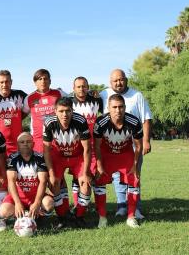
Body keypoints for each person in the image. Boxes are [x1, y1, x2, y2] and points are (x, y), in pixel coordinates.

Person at [100, 69, 151, 219]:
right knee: (118, 177)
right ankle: (122, 207)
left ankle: (136, 209)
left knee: (134, 176)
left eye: (121, 79)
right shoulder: (104, 94)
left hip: (134, 145)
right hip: (112, 146)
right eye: (115, 81)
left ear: (126, 80)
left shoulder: (137, 96)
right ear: (110, 82)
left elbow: (146, 118)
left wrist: (146, 140)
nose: (118, 83)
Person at [93, 94, 143, 229]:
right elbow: (96, 145)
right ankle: (102, 217)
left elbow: (138, 146)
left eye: (121, 107)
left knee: (134, 180)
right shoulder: (100, 122)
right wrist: (99, 165)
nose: (117, 110)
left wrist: (135, 165)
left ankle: (131, 217)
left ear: (125, 108)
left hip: (125, 154)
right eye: (114, 107)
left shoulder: (134, 121)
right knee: (99, 180)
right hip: (106, 154)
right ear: (108, 108)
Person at [43, 97, 92, 227]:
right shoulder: (49, 122)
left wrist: (86, 173)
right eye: (61, 111)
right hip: (58, 157)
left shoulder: (80, 121)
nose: (65, 114)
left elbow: (87, 149)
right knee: (54, 184)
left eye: (68, 111)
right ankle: (63, 217)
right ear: (55, 111)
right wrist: (52, 174)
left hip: (77, 157)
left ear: (72, 110)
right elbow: (46, 151)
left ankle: (79, 216)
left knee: (85, 184)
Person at [0, 132, 53, 231]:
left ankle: (39, 217)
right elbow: (11, 181)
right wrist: (18, 203)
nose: (25, 144)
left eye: (28, 141)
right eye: (22, 142)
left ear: (33, 144)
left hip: (35, 196)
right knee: (4, 211)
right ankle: (12, 218)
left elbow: (43, 181)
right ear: (17, 145)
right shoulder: (12, 159)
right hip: (19, 198)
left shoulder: (40, 158)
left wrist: (37, 203)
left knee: (49, 204)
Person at [70, 76, 103, 207]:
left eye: (84, 86)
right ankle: (77, 204)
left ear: (88, 88)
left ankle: (95, 204)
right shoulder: (69, 103)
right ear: (73, 89)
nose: (81, 89)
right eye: (78, 86)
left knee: (93, 174)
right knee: (76, 176)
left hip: (93, 145)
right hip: (76, 146)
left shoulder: (97, 100)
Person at [23, 69, 67, 153]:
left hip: (58, 136)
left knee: (58, 164)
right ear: (35, 82)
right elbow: (23, 114)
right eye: (40, 79)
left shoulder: (59, 93)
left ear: (50, 81)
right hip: (38, 139)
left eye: (45, 78)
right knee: (41, 165)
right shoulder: (29, 98)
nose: (43, 81)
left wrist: (90, 93)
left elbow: (74, 100)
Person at [0, 70, 27, 156]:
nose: (4, 85)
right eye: (1, 82)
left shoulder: (20, 94)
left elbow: (33, 101)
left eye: (7, 81)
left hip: (18, 142)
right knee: (1, 168)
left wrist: (19, 118)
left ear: (11, 82)